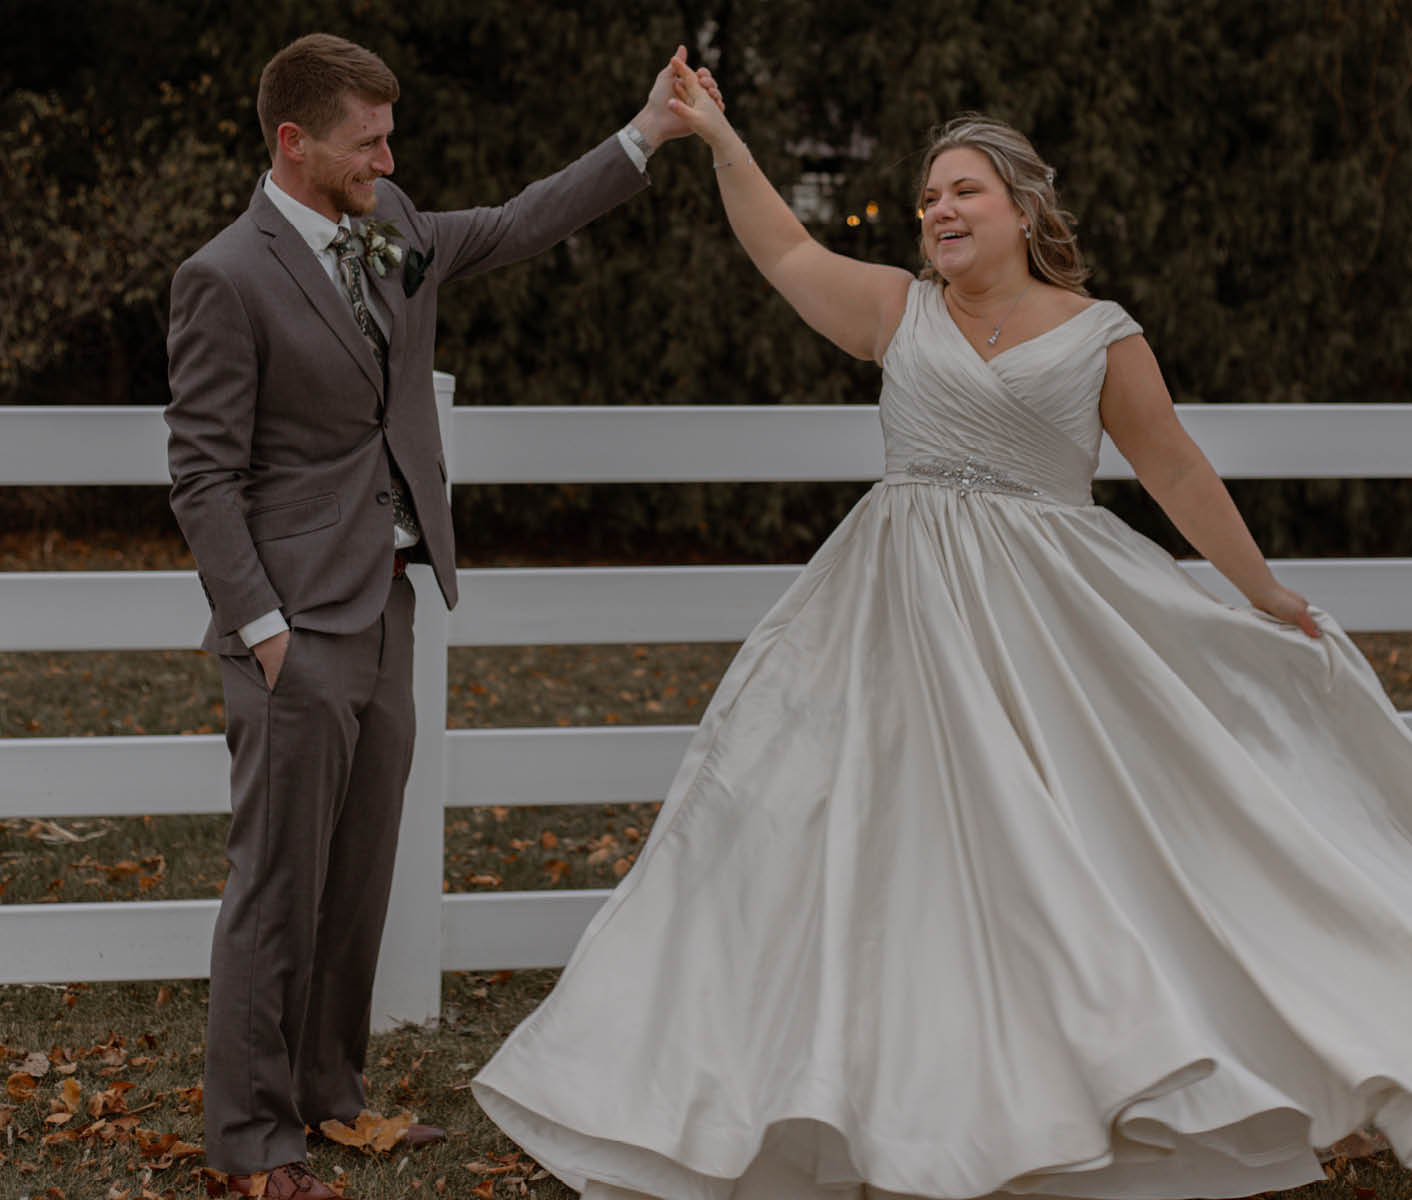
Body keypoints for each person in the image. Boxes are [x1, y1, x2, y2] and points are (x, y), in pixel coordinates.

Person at [471, 65, 1412, 1200]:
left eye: (963, 191)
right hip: (890, 613)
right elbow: (780, 251)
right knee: (852, 836)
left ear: (1020, 209)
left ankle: (1113, 1068)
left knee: (1070, 847)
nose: (940, 212)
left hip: (1049, 623)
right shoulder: (893, 308)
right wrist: (716, 139)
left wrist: (1257, 590)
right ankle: (862, 1087)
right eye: (927, 197)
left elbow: (1169, 465)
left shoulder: (1098, 335)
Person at [164, 32, 722, 1199]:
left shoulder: (386, 226)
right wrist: (264, 632)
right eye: (367, 140)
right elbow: (204, 476)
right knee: (276, 886)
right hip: (294, 635)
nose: (388, 155)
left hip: (388, 611)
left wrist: (645, 136)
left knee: (359, 874)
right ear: (293, 141)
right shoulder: (227, 275)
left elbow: (513, 223)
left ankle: (330, 1098)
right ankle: (249, 1142)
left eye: (389, 136)